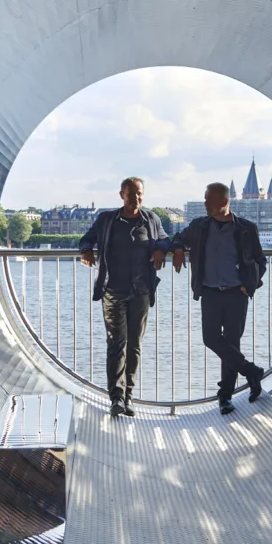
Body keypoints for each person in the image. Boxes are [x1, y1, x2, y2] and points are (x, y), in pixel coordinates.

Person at [171, 182, 268, 414]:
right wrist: (177, 250)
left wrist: (249, 286)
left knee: (231, 344)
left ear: (224, 202)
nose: (205, 203)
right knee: (211, 338)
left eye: (209, 200)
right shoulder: (199, 226)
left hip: (237, 294)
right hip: (210, 293)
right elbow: (178, 238)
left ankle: (225, 396)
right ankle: (251, 372)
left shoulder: (246, 229)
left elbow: (260, 262)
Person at [78, 177, 171, 416]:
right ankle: (116, 398)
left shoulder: (151, 219)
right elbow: (87, 238)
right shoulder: (107, 219)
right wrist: (86, 250)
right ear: (122, 195)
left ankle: (128, 396)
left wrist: (160, 249)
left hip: (141, 291)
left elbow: (164, 239)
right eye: (131, 194)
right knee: (116, 344)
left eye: (140, 194)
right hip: (113, 291)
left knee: (134, 345)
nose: (136, 198)